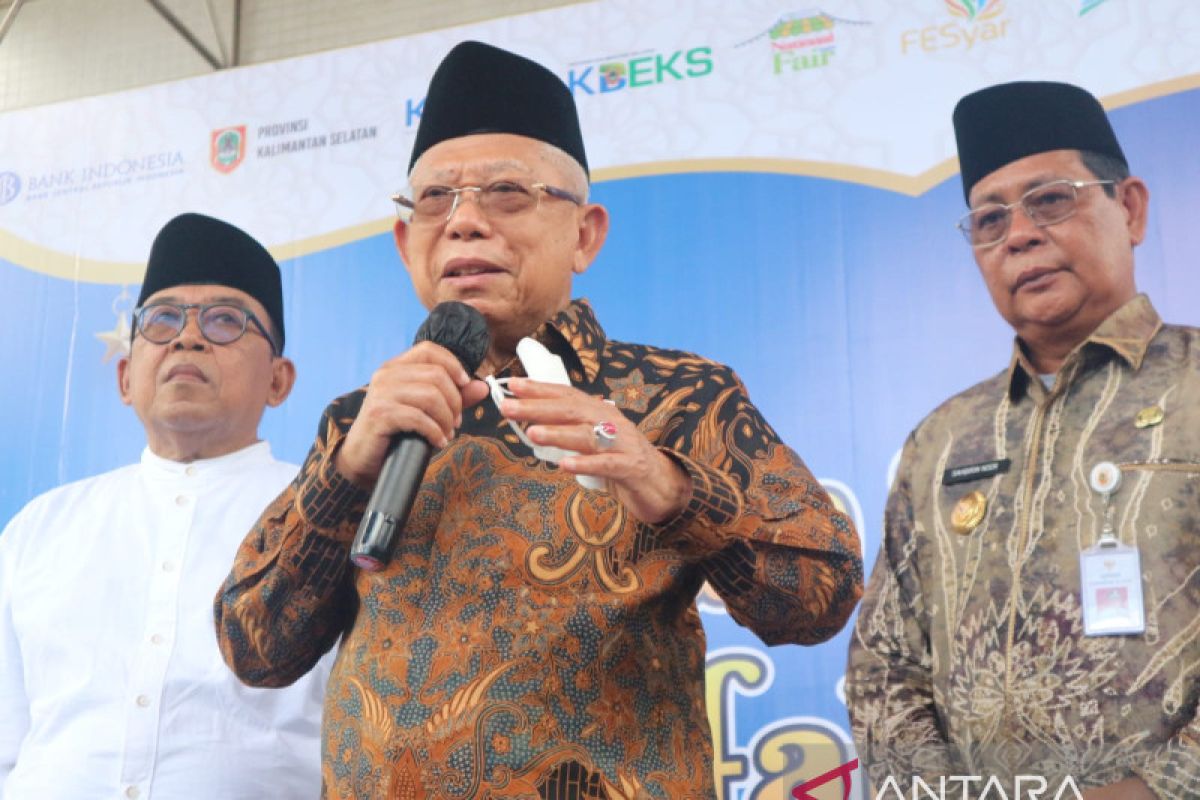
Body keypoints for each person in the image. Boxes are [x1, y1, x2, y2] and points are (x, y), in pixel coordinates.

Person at [215, 40, 862, 799]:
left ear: (584, 234)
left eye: (506, 194)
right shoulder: (361, 422)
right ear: (405, 243)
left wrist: (666, 485)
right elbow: (255, 649)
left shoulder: (680, 396)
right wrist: (346, 473)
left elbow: (823, 595)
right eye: (435, 201)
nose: (463, 224)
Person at [846, 81, 1198, 799]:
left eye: (1050, 200)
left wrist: (1155, 790)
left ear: (1129, 208)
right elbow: (884, 665)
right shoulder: (941, 440)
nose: (1020, 234)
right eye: (989, 219)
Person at [0, 213, 330, 799]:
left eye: (227, 320)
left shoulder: (326, 524)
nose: (188, 337)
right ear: (126, 378)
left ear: (279, 381)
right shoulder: (39, 531)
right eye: (163, 319)